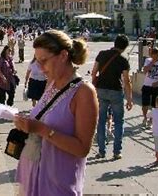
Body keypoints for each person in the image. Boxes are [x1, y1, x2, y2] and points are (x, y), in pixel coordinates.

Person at [14, 30, 98, 196]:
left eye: (44, 61)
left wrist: (41, 129)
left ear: (63, 55)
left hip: (58, 185)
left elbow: (82, 149)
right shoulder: (51, 84)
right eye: (37, 61)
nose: (40, 67)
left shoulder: (84, 92)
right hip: (33, 176)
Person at [91, 34, 133, 159]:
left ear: (115, 43)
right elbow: (126, 81)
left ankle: (101, 150)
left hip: (101, 90)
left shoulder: (101, 54)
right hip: (116, 91)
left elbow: (94, 72)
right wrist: (129, 99)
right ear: (125, 47)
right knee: (118, 121)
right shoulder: (123, 60)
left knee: (101, 120)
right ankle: (117, 151)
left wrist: (94, 84)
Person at [142, 47, 158, 127]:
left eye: (157, 55)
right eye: (154, 55)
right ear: (151, 54)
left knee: (155, 105)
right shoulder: (148, 60)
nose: (155, 57)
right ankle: (145, 118)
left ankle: (151, 120)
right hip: (147, 85)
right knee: (145, 104)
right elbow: (144, 71)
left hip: (157, 87)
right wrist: (152, 63)